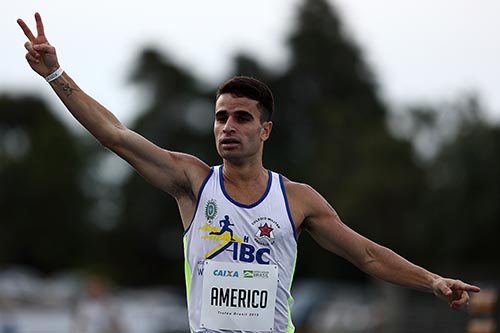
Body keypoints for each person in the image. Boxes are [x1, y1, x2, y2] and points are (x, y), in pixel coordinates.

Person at [17, 12, 480, 333]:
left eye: (241, 117)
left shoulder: (297, 200)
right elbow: (115, 135)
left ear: (266, 130)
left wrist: (432, 281)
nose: (228, 126)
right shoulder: (192, 182)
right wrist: (56, 74)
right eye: (221, 117)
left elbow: (368, 256)